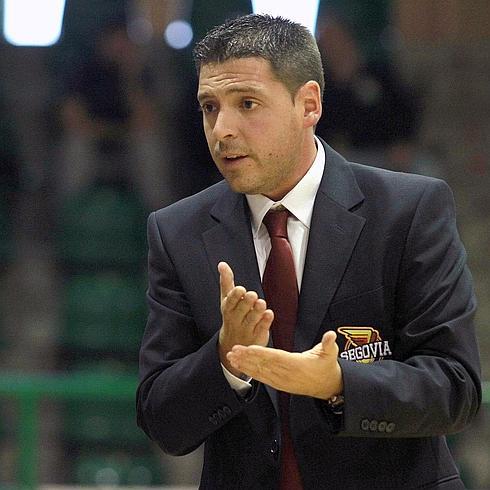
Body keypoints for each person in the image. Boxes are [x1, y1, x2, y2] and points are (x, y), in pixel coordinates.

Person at [136, 14, 481, 489]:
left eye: (248, 103)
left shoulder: (409, 210)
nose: (221, 130)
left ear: (309, 104)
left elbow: (455, 389)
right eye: (210, 107)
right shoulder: (175, 231)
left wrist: (336, 383)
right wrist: (224, 358)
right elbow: (162, 421)